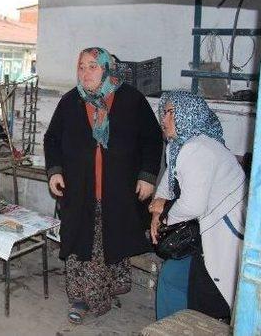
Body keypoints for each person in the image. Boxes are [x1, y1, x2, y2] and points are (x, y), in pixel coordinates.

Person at [43, 47, 162, 324]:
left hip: (118, 190)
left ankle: (111, 286)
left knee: (111, 238)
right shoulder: (71, 101)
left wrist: (147, 175)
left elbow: (152, 139)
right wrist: (55, 171)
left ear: (107, 68)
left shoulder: (131, 100)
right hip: (80, 190)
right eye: (81, 66)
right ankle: (83, 298)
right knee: (83, 243)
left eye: (93, 66)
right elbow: (52, 139)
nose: (85, 72)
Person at [150, 91, 246, 323]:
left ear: (188, 114)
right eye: (163, 112)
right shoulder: (181, 145)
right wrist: (157, 211)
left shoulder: (197, 148)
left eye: (170, 112)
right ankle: (170, 327)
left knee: (205, 302)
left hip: (219, 236)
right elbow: (168, 182)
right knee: (172, 278)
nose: (164, 118)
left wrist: (163, 216)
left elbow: (192, 205)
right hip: (201, 234)